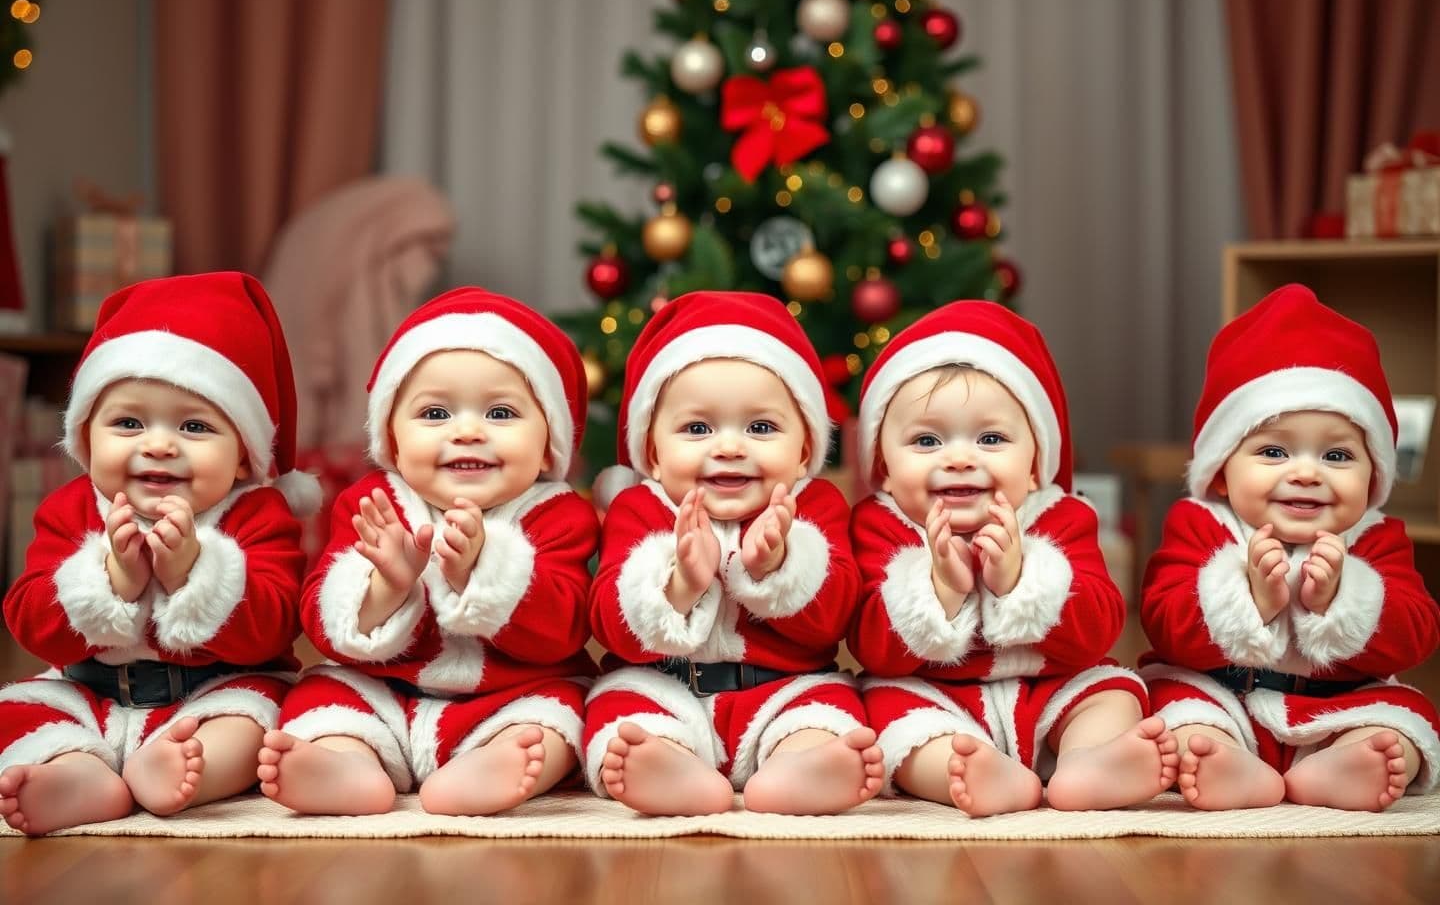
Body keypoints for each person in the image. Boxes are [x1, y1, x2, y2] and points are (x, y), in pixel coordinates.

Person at [257, 288, 599, 816]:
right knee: (323, 697)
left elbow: (567, 627)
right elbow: (323, 622)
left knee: (564, 714)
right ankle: (348, 763)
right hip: (386, 693)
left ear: (548, 439)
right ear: (392, 439)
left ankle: (498, 764)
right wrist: (387, 585)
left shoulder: (558, 514)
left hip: (509, 697)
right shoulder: (373, 503)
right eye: (435, 413)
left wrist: (482, 572)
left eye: (501, 413)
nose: (467, 432)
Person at [0, 272, 317, 835]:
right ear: (86, 437)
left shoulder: (255, 514)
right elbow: (29, 620)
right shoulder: (73, 508)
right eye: (128, 422)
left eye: (194, 426)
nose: (159, 444)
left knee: (259, 720)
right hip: (90, 692)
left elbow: (275, 627)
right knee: (17, 710)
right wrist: (110, 583)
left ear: (243, 458)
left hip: (212, 692)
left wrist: (193, 575)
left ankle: (185, 768)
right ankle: (79, 774)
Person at [850, 300, 1178, 816]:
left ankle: (1087, 763)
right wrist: (941, 590)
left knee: (1112, 690)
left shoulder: (1063, 516)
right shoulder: (880, 524)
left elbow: (1101, 628)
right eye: (927, 440)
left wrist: (1019, 581)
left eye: (991, 438)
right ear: (884, 467)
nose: (959, 458)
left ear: (1034, 466)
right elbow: (873, 648)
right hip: (936, 697)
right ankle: (962, 773)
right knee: (884, 715)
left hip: (1050, 690)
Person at [1142, 284, 1440, 811]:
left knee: (1407, 719)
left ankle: (1341, 764)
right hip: (1226, 695)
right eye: (1274, 451)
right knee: (1173, 707)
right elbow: (1163, 619)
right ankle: (1222, 759)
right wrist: (1248, 603)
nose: (1305, 472)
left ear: (1374, 476)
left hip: (1340, 706)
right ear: (1221, 472)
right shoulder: (1202, 523)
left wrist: (1343, 603)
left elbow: (1417, 634)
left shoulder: (1375, 538)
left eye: (1338, 456)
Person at [584, 291, 883, 816]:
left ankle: (799, 766)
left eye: (761, 428)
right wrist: (678, 587)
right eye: (697, 428)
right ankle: (669, 766)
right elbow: (609, 623)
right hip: (664, 688)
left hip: (782, 688)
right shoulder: (638, 507)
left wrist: (778, 568)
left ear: (805, 451)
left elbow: (837, 617)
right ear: (652, 453)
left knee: (825, 712)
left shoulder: (814, 506)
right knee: (620, 711)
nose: (729, 446)